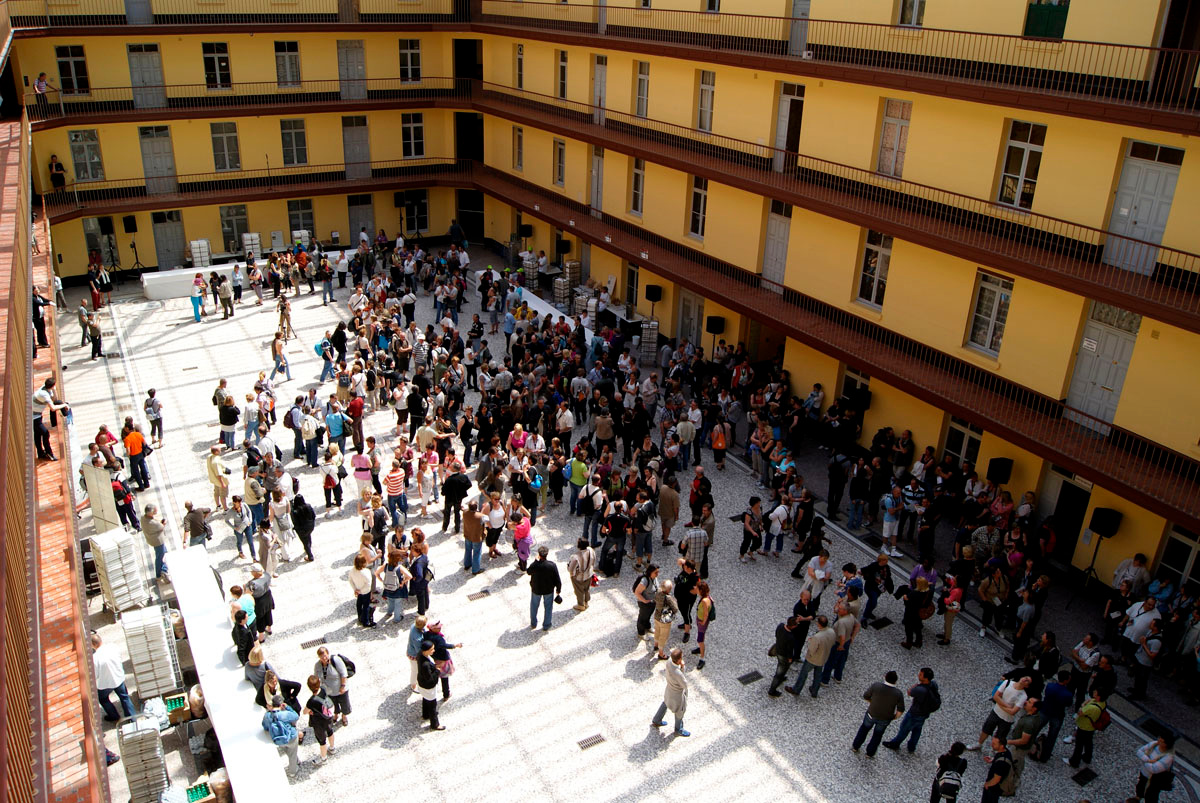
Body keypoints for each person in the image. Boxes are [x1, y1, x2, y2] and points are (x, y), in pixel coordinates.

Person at [883, 667, 940, 753]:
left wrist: (917, 685)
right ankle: (912, 746)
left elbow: (910, 692)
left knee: (904, 729)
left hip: (914, 714)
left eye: (920, 674)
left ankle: (895, 744)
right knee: (917, 730)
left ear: (925, 678)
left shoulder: (920, 689)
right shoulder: (933, 684)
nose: (918, 675)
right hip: (924, 714)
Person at [967, 675, 1030, 752]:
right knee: (986, 729)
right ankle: (979, 744)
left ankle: (995, 752)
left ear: (1027, 686)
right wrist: (1007, 706)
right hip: (996, 712)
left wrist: (1000, 703)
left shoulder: (1023, 696)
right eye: (1025, 678)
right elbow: (995, 696)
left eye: (1027, 681)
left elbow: (1013, 712)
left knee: (1000, 737)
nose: (1025, 680)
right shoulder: (1007, 682)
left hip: (1007, 719)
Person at [851, 670, 906, 757]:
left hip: (871, 714)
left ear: (885, 677)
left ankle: (856, 746)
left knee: (864, 729)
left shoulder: (876, 686)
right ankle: (870, 753)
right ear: (895, 681)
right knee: (877, 735)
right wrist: (894, 717)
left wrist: (871, 702)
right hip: (885, 718)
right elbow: (901, 709)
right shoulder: (898, 693)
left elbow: (866, 696)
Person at [785, 615, 835, 699]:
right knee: (818, 676)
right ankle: (814, 691)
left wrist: (809, 642)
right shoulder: (832, 631)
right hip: (823, 658)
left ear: (818, 623)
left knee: (803, 674)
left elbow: (812, 650)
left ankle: (796, 689)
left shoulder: (817, 637)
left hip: (812, 659)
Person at [91, 632, 136, 721]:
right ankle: (132, 718)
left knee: (103, 699)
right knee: (124, 697)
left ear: (93, 645)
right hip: (118, 678)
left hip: (105, 684)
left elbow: (95, 674)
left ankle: (114, 716)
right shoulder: (113, 647)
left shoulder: (95, 658)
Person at [650, 647, 690, 737]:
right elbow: (685, 684)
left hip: (669, 689)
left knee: (665, 703)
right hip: (677, 696)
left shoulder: (668, 662)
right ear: (679, 659)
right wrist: (683, 667)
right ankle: (678, 729)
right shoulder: (678, 673)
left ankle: (657, 720)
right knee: (680, 711)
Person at [1064, 687, 1107, 768]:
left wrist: (1083, 704)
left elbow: (1080, 712)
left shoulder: (1092, 708)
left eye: (1096, 692)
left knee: (1079, 745)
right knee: (1088, 742)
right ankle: (1087, 757)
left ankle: (1074, 761)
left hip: (1084, 727)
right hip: (1091, 728)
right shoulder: (1103, 703)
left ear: (1099, 696)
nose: (1094, 692)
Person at [1132, 734, 1176, 803]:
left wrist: (1144, 760)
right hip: (1144, 773)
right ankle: (1138, 798)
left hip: (1155, 780)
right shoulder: (1154, 744)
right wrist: (1148, 760)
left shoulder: (1168, 757)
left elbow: (1154, 769)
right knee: (1141, 786)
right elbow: (1139, 751)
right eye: (1159, 738)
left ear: (1166, 744)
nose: (1158, 741)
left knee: (1151, 795)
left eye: (1161, 741)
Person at [304, 675, 337, 766]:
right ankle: (332, 748)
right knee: (330, 732)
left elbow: (304, 711)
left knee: (322, 741)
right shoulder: (323, 690)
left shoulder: (311, 701)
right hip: (328, 717)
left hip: (318, 723)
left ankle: (324, 758)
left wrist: (310, 711)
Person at [526, 545, 561, 631]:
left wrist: (535, 561)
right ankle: (546, 624)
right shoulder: (552, 565)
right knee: (548, 607)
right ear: (547, 554)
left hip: (536, 589)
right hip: (548, 590)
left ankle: (533, 623)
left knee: (534, 606)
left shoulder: (535, 565)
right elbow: (557, 578)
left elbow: (528, 572)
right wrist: (558, 589)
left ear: (539, 555)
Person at [314, 647, 351, 726]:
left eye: (325, 655)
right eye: (321, 657)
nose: (324, 658)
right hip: (329, 692)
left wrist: (343, 686)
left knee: (345, 704)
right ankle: (336, 715)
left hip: (341, 690)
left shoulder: (335, 660)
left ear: (328, 654)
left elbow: (344, 674)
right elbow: (316, 677)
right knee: (333, 705)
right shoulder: (317, 665)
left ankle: (344, 716)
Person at [767, 616, 803, 697]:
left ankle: (781, 677)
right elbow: (790, 650)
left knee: (780, 667)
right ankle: (772, 690)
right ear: (793, 626)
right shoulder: (790, 637)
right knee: (779, 672)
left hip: (778, 650)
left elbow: (776, 634)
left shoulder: (780, 626)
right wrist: (790, 658)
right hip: (784, 655)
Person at [416, 640, 446, 731]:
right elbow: (430, 679)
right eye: (432, 649)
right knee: (433, 705)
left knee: (425, 699)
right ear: (426, 650)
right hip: (428, 687)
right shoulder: (425, 665)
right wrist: (437, 670)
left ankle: (425, 714)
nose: (433, 650)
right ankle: (435, 724)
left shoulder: (420, 655)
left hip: (421, 684)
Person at [980, 736, 1012, 803]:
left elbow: (996, 779)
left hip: (993, 788)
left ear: (1002, 746)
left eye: (994, 744)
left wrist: (987, 784)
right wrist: (992, 760)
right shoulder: (1006, 752)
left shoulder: (1001, 763)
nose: (992, 745)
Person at [142, 504, 168, 581]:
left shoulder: (143, 518)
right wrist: (164, 523)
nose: (156, 511)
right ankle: (160, 573)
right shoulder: (153, 523)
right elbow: (161, 527)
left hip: (151, 539)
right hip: (158, 541)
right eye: (155, 510)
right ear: (151, 513)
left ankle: (163, 569)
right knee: (160, 556)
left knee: (164, 553)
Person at [568, 538, 595, 611]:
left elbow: (571, 569)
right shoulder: (591, 551)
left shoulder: (575, 556)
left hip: (579, 577)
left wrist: (572, 575)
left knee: (579, 590)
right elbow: (593, 560)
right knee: (586, 589)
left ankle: (581, 605)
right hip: (589, 574)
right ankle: (586, 602)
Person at [349, 554, 376, 628]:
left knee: (359, 604)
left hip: (358, 591)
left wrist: (355, 589)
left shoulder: (352, 570)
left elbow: (350, 580)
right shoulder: (366, 572)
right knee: (366, 606)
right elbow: (368, 583)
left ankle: (360, 617)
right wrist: (361, 591)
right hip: (365, 592)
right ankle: (365, 621)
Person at [692, 581, 712, 670]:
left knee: (700, 639)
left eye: (697, 588)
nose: (695, 588)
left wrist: (703, 622)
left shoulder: (704, 601)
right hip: (701, 621)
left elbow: (706, 614)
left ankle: (702, 658)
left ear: (701, 590)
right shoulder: (707, 597)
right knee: (700, 638)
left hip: (702, 622)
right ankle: (700, 649)